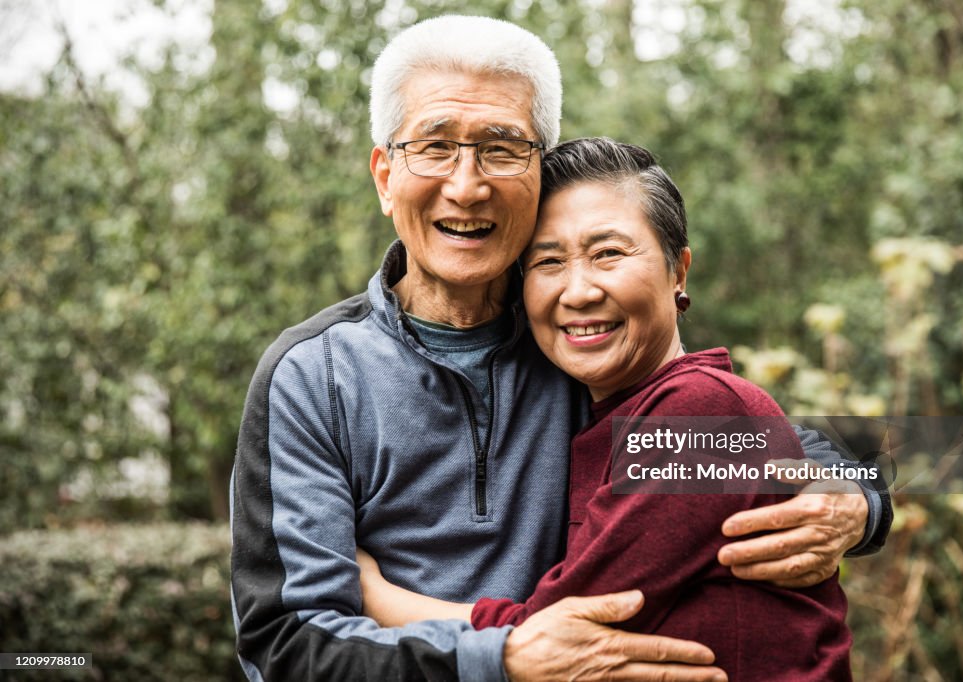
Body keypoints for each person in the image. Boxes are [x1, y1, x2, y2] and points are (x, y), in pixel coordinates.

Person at [230, 15, 891, 682]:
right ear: (384, 176)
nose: (466, 185)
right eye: (433, 148)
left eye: (501, 148)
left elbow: (735, 432)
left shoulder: (579, 341)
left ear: (536, 175)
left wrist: (858, 499)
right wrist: (499, 661)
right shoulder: (314, 374)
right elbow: (285, 646)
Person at [356, 138, 854, 680]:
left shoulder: (699, 412)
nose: (578, 291)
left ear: (678, 271)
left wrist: (374, 595)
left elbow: (553, 634)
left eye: (608, 253)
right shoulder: (597, 410)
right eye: (548, 261)